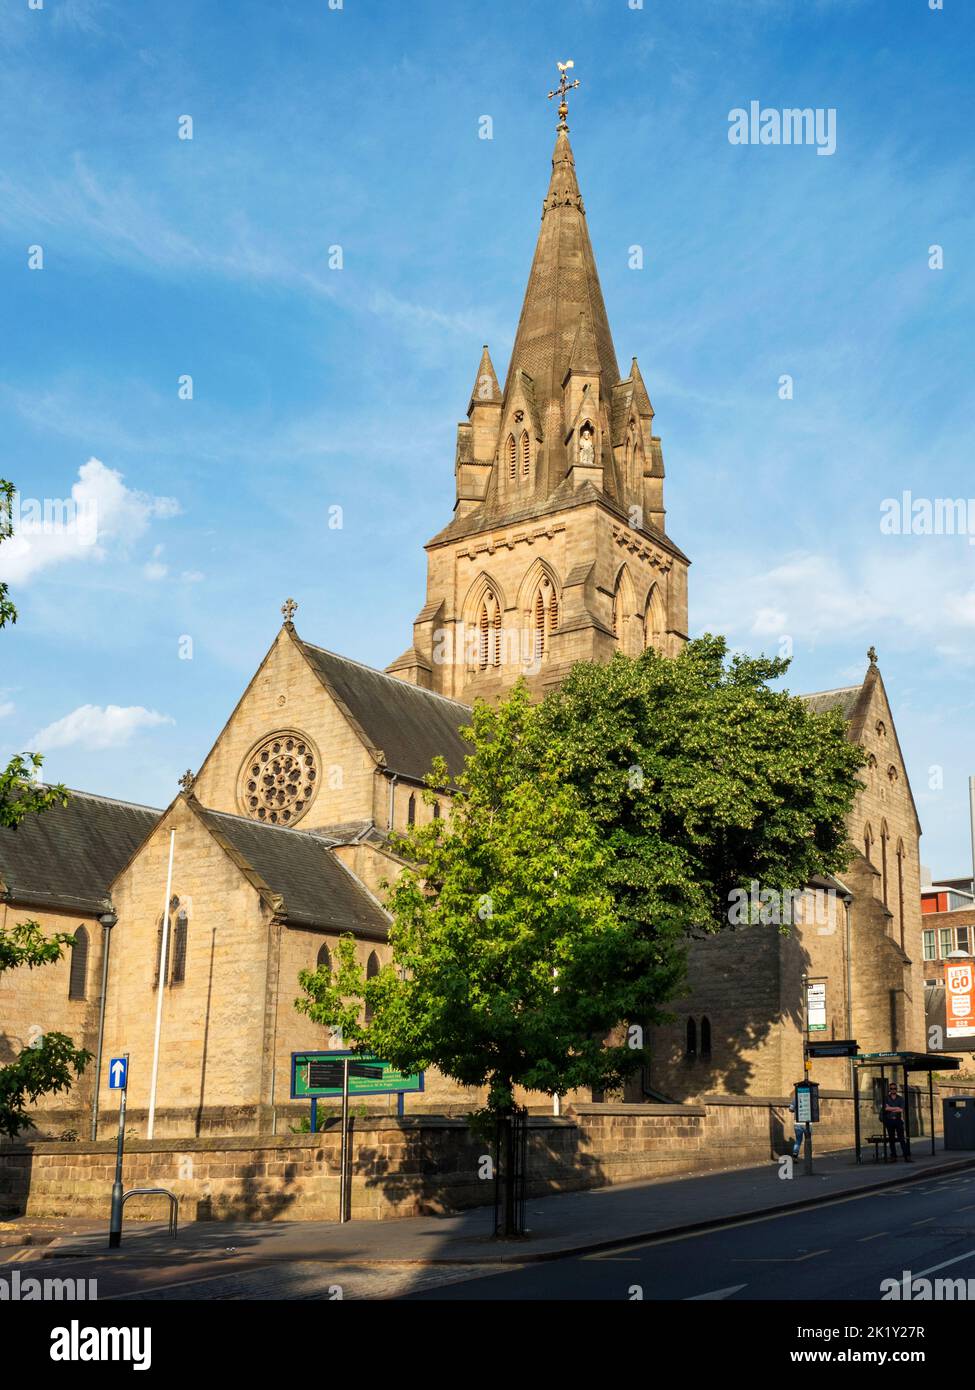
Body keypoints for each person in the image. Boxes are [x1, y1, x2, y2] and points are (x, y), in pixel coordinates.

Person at [883, 1082, 911, 1161]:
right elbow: (886, 1109)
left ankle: (906, 1156)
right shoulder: (886, 1098)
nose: (893, 1090)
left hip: (898, 1121)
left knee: (901, 1138)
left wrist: (891, 1108)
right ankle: (893, 1156)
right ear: (889, 1089)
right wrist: (896, 1108)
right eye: (891, 1088)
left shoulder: (900, 1098)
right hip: (889, 1121)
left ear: (896, 1089)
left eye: (894, 1088)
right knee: (891, 1139)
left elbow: (901, 1109)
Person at [787, 1094, 807, 1159]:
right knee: (808, 1139)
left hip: (798, 1122)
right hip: (808, 1123)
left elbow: (790, 1109)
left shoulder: (796, 1098)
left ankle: (795, 1155)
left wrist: (795, 1110)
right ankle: (808, 1156)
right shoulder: (809, 1097)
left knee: (798, 1140)